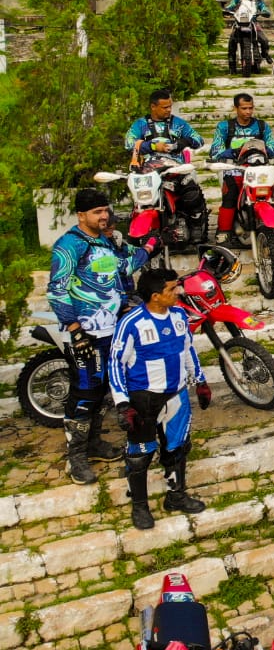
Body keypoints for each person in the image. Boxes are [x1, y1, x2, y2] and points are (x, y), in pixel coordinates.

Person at [49, 188, 156, 484]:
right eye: (97, 212)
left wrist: (149, 247)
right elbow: (57, 289)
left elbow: (124, 267)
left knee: (104, 390)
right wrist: (75, 330)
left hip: (113, 330)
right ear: (81, 215)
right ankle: (75, 458)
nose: (104, 216)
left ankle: (94, 444)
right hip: (86, 333)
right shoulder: (69, 245)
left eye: (105, 210)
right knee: (85, 393)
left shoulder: (105, 242)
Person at [109, 267, 211, 530]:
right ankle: (140, 505)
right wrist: (122, 404)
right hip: (144, 399)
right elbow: (116, 363)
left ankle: (176, 496)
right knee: (140, 454)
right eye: (172, 289)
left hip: (177, 395)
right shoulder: (131, 323)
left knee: (177, 448)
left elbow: (188, 349)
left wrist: (200, 381)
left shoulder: (179, 315)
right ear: (155, 296)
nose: (179, 292)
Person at [210, 94, 274, 259]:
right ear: (235, 108)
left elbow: (273, 147)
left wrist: (264, 150)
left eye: (250, 108)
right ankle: (222, 238)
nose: (248, 112)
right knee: (229, 197)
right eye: (244, 108)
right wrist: (233, 151)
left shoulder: (262, 126)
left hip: (259, 171)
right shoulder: (225, 127)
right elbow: (216, 150)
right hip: (235, 170)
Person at [125, 89, 208, 244]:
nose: (169, 110)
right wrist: (153, 146)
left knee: (191, 191)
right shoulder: (140, 125)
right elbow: (129, 143)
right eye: (165, 107)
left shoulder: (178, 124)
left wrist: (184, 142)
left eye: (170, 106)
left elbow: (199, 139)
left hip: (176, 167)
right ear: (153, 107)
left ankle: (196, 225)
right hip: (149, 170)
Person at [225, 0, 272, 72]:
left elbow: (264, 8)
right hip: (239, 23)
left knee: (265, 40)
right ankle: (232, 64)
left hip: (253, 23)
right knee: (232, 43)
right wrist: (227, 10)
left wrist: (264, 11)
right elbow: (232, 5)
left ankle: (265, 54)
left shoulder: (258, 0)